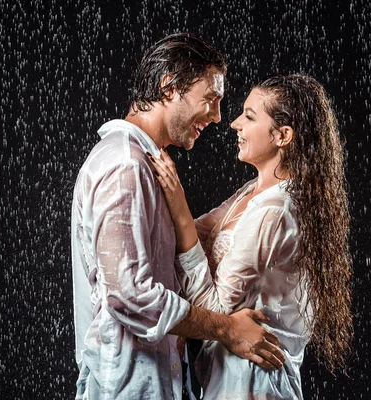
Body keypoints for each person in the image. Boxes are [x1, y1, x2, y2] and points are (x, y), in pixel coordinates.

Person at [71, 33, 285, 400]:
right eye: (210, 99)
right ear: (170, 87)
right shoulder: (125, 165)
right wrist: (227, 329)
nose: (218, 117)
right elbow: (129, 296)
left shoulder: (145, 165)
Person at [149, 74, 353, 399]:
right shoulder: (255, 192)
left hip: (253, 382)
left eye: (249, 116)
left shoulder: (276, 210)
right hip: (231, 377)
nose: (234, 124)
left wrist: (177, 201)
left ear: (283, 135)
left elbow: (217, 308)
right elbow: (194, 234)